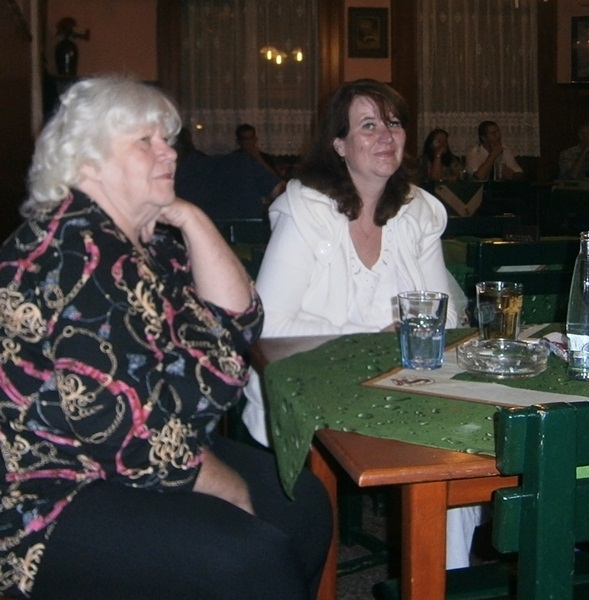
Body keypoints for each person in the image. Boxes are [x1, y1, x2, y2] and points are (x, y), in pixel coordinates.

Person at [0, 76, 331, 599]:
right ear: (87, 163)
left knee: (304, 506)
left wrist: (190, 216)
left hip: (147, 454)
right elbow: (125, 429)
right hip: (52, 494)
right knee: (249, 558)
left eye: (168, 139)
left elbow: (240, 320)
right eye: (144, 141)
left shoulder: (146, 244)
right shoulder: (74, 250)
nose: (169, 152)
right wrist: (229, 488)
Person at [240, 78, 476, 570]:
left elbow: (446, 313)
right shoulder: (306, 207)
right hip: (314, 384)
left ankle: (444, 575)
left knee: (462, 439)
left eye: (393, 123)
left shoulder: (417, 210)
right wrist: (374, 340)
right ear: (339, 144)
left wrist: (405, 340)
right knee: (444, 439)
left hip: (401, 384)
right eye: (368, 126)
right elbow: (270, 324)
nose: (385, 135)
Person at [419, 128, 482, 217]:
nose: (443, 144)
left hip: (453, 197)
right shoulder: (423, 161)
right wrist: (438, 155)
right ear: (431, 144)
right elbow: (435, 178)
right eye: (439, 141)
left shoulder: (453, 159)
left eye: (445, 141)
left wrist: (450, 178)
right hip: (433, 197)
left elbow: (460, 175)